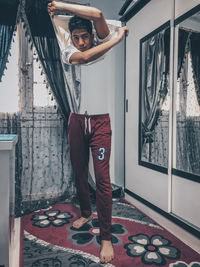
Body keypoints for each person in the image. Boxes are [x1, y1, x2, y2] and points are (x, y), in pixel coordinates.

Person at [48, 1, 129, 264]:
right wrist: (117, 41)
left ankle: (105, 236)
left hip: (100, 124)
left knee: (103, 180)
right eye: (76, 37)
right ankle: (85, 212)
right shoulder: (69, 51)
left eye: (85, 37)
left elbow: (97, 14)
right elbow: (84, 58)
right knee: (80, 173)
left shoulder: (101, 38)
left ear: (93, 35)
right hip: (76, 121)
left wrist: (59, 5)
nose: (81, 42)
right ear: (71, 38)